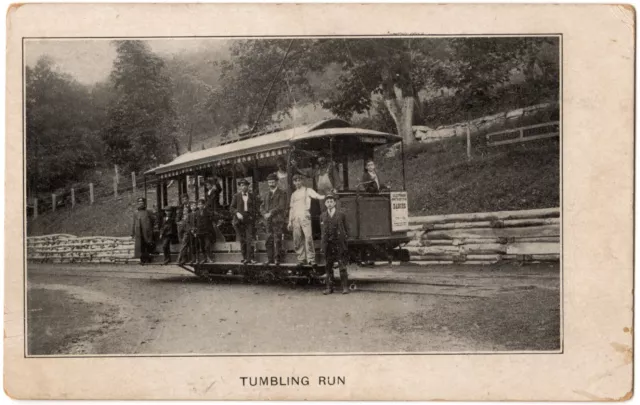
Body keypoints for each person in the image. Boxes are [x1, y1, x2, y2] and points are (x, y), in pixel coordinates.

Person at [288, 174, 325, 268]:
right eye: (295, 181)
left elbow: (318, 196)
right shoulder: (293, 194)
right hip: (295, 218)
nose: (297, 182)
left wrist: (328, 195)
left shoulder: (307, 190)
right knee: (297, 239)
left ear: (302, 181)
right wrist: (289, 221)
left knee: (308, 237)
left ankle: (311, 259)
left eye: (299, 180)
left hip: (305, 216)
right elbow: (291, 209)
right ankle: (301, 259)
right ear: (293, 183)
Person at [320, 192, 351, 294]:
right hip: (328, 245)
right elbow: (322, 232)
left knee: (342, 266)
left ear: (334, 203)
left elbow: (347, 229)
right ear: (325, 204)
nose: (329, 203)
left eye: (331, 201)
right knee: (328, 267)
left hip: (339, 244)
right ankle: (329, 288)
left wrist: (344, 241)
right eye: (327, 202)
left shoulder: (341, 214)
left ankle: (345, 287)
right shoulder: (323, 216)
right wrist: (323, 245)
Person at [260, 172, 287, 265]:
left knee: (277, 240)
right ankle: (270, 259)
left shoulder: (282, 193)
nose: (271, 184)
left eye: (273, 182)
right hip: (268, 221)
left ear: (276, 182)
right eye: (269, 182)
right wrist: (264, 214)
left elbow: (281, 206)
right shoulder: (266, 194)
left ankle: (277, 259)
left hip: (277, 220)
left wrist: (270, 213)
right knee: (268, 240)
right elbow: (262, 206)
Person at [230, 179, 259, 264]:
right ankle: (245, 258)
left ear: (248, 186)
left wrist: (252, 216)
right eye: (242, 185)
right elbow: (231, 208)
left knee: (250, 239)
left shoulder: (252, 196)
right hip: (239, 221)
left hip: (249, 220)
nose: (243, 187)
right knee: (242, 239)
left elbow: (255, 207)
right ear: (240, 187)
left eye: (245, 185)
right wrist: (237, 213)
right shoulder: (236, 196)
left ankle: (251, 258)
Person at [131, 197, 155, 265]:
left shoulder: (148, 211)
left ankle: (148, 259)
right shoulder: (136, 213)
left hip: (147, 231)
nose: (140, 203)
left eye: (142, 202)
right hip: (139, 231)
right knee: (141, 245)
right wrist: (132, 233)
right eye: (139, 202)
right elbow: (134, 223)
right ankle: (142, 259)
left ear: (144, 203)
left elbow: (153, 220)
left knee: (147, 244)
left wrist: (150, 228)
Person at [194, 198, 217, 264]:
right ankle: (204, 258)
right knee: (202, 246)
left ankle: (210, 258)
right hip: (199, 232)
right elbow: (195, 222)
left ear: (204, 205)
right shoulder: (196, 213)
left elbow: (213, 217)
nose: (200, 205)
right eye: (198, 204)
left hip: (207, 232)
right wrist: (195, 231)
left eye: (201, 204)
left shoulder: (207, 212)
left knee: (207, 245)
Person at [177, 200, 197, 265]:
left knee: (192, 246)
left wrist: (193, 230)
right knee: (184, 245)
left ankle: (192, 259)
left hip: (192, 232)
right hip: (187, 232)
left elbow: (191, 224)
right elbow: (186, 224)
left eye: (185, 210)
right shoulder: (187, 216)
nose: (184, 211)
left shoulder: (192, 215)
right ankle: (181, 259)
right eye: (184, 210)